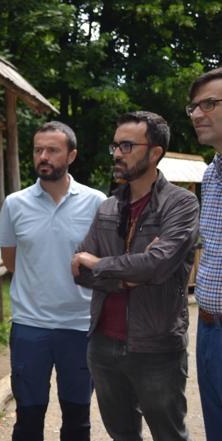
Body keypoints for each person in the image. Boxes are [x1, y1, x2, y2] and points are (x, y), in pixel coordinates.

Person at [72, 111, 198, 441]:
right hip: (102, 344)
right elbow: (79, 271)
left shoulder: (181, 204)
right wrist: (130, 273)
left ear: (155, 152)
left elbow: (156, 265)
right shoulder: (108, 207)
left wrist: (101, 264)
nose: (116, 153)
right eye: (115, 145)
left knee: (169, 435)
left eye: (127, 146)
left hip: (156, 347)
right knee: (122, 435)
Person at [0, 121, 105, 440]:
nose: (43, 156)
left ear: (71, 155)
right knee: (28, 419)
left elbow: (104, 263)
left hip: (80, 326)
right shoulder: (15, 204)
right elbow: (10, 259)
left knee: (77, 420)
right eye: (38, 150)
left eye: (52, 150)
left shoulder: (96, 202)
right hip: (31, 326)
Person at [188, 66, 222, 440]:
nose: (197, 114)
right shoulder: (211, 174)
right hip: (209, 327)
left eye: (209, 104)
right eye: (194, 107)